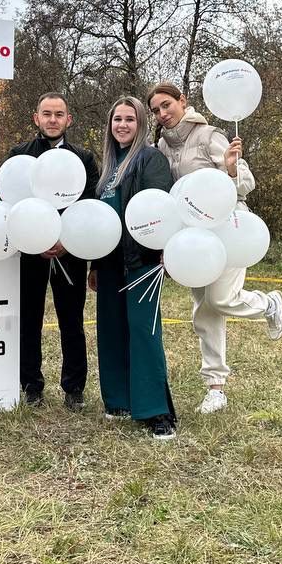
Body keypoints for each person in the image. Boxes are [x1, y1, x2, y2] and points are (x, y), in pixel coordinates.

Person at [148, 82, 282, 414]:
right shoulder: (161, 149)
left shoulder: (210, 136)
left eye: (167, 105)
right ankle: (216, 388)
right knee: (204, 311)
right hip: (193, 239)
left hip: (230, 229)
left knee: (221, 299)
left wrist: (230, 167)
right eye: (155, 110)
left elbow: (245, 185)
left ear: (183, 101)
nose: (162, 114)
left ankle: (268, 304)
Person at [88, 97, 178, 440]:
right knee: (111, 330)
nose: (122, 125)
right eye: (117, 120)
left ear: (140, 124)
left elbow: (159, 211)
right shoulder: (110, 166)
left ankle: (157, 411)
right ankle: (119, 401)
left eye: (130, 119)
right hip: (109, 261)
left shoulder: (149, 158)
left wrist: (161, 250)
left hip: (140, 260)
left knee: (143, 332)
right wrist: (95, 265)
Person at [9, 92, 101, 410]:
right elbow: (13, 204)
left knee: (71, 320)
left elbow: (89, 206)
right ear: (36, 118)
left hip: (70, 252)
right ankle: (31, 385)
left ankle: (74, 389)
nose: (52, 119)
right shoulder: (19, 155)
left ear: (68, 119)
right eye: (46, 114)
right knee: (28, 319)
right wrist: (35, 239)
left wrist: (66, 239)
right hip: (30, 253)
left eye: (58, 114)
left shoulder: (84, 159)